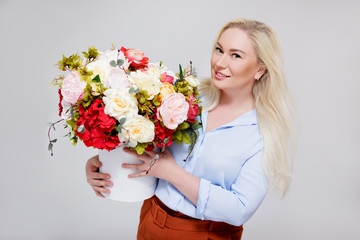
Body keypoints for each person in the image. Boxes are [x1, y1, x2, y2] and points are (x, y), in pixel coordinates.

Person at [85, 18, 295, 240]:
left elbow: (239, 208)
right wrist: (101, 164)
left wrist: (172, 173)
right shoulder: (184, 98)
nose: (220, 63)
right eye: (219, 50)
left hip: (205, 234)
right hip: (151, 218)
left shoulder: (263, 134)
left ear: (260, 69)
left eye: (236, 55)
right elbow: (146, 143)